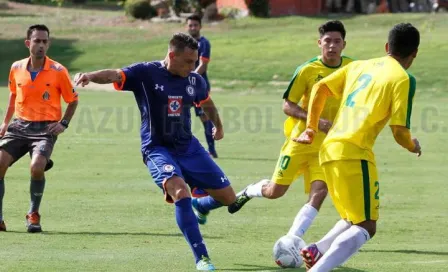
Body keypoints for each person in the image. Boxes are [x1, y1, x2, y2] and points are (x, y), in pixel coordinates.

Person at [73, 33, 237, 271]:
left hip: (188, 146)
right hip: (157, 148)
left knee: (228, 198)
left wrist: (218, 126)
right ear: (172, 55)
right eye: (189, 62)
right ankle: (202, 258)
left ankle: (201, 207)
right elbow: (115, 74)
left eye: (195, 62)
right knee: (180, 191)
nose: (193, 67)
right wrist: (89, 76)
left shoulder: (194, 80)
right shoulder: (146, 73)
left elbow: (207, 102)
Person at [295, 23, 421, 271]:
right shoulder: (403, 79)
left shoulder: (359, 65)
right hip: (354, 152)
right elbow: (399, 131)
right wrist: (411, 145)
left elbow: (320, 88)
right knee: (366, 226)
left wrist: (311, 127)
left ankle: (316, 249)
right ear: (414, 54)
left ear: (387, 47)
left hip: (329, 148)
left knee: (353, 218)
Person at [226, 21, 354, 240]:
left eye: (337, 41)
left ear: (344, 44)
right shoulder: (307, 70)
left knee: (320, 192)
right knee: (275, 192)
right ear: (319, 43)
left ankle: (292, 239)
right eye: (327, 41)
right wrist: (315, 121)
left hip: (328, 147)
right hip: (301, 141)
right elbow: (287, 105)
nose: (332, 46)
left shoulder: (353, 69)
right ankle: (251, 190)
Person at [0, 24, 79, 233]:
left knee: (36, 168)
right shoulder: (16, 67)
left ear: (48, 43)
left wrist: (63, 123)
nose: (41, 45)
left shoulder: (58, 71)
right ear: (28, 43)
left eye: (45, 41)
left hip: (45, 129)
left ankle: (33, 214)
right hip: (18, 126)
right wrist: (5, 122)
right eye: (37, 41)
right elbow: (13, 95)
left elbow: (73, 100)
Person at [186, 14, 217, 158]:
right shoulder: (183, 43)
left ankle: (211, 149)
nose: (192, 28)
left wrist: (191, 77)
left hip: (199, 86)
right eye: (190, 25)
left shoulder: (203, 43)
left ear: (200, 26)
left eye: (195, 25)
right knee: (178, 115)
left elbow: (203, 65)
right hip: (182, 86)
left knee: (205, 116)